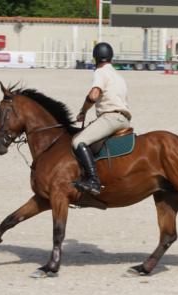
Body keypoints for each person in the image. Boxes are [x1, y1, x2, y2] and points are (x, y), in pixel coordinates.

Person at [72, 42, 131, 195]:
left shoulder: (101, 71)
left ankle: (93, 181)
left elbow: (94, 95)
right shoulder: (118, 75)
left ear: (95, 58)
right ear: (111, 57)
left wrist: (83, 111)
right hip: (123, 119)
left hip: (111, 118)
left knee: (78, 141)